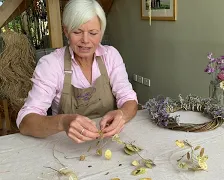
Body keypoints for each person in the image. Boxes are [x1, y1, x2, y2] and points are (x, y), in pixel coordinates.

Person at [16, 0, 138, 143]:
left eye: (93, 33)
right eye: (77, 32)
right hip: (65, 145)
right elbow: (25, 122)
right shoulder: (51, 65)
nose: (85, 40)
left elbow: (129, 99)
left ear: (101, 32)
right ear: (66, 31)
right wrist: (62, 122)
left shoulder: (111, 56)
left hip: (108, 141)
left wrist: (122, 114)